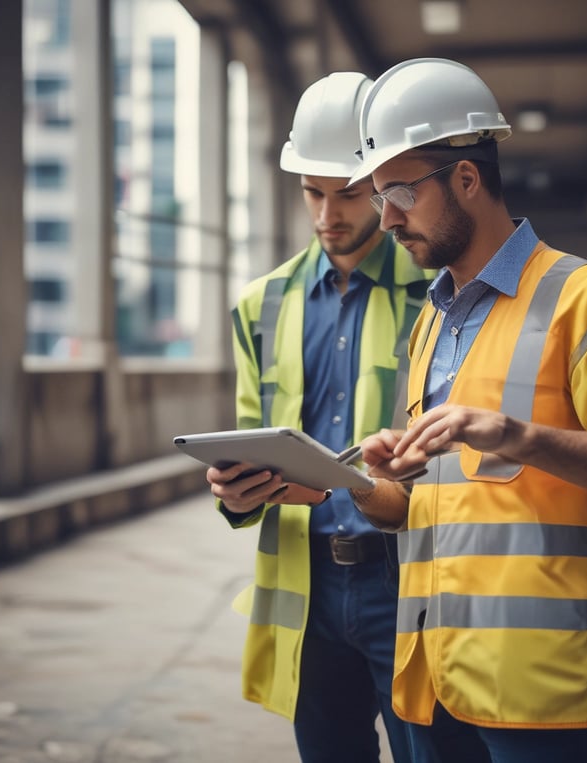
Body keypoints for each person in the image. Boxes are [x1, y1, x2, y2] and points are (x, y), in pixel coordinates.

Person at [345, 58, 587, 763]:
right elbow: (429, 504)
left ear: (467, 180)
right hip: (432, 674)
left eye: (400, 193)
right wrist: (367, 483)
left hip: (541, 684)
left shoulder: (581, 296)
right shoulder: (429, 319)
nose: (385, 218)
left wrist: (516, 434)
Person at [206, 71, 434, 763]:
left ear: (382, 183)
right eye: (312, 191)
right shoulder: (261, 304)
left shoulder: (438, 294)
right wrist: (237, 491)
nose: (326, 213)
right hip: (304, 583)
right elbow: (251, 429)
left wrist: (347, 486)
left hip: (406, 575)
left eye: (347, 193)